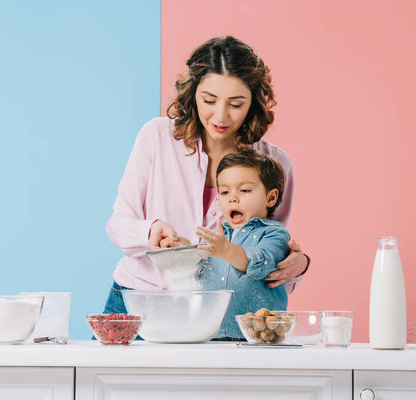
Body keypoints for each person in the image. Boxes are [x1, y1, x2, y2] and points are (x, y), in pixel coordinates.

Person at [104, 36, 309, 315]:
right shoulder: (156, 137)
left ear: (254, 102)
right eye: (209, 100)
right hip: (138, 299)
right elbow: (118, 224)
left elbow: (270, 249)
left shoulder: (275, 163)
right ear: (193, 93)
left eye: (236, 104)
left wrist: (298, 265)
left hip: (213, 314)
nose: (220, 116)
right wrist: (150, 231)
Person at [195, 150, 290, 339]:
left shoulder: (274, 234)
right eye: (224, 191)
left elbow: (261, 264)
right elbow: (195, 274)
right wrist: (181, 251)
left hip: (258, 339)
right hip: (209, 337)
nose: (232, 198)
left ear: (270, 198)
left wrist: (226, 251)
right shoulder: (217, 239)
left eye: (244, 190)